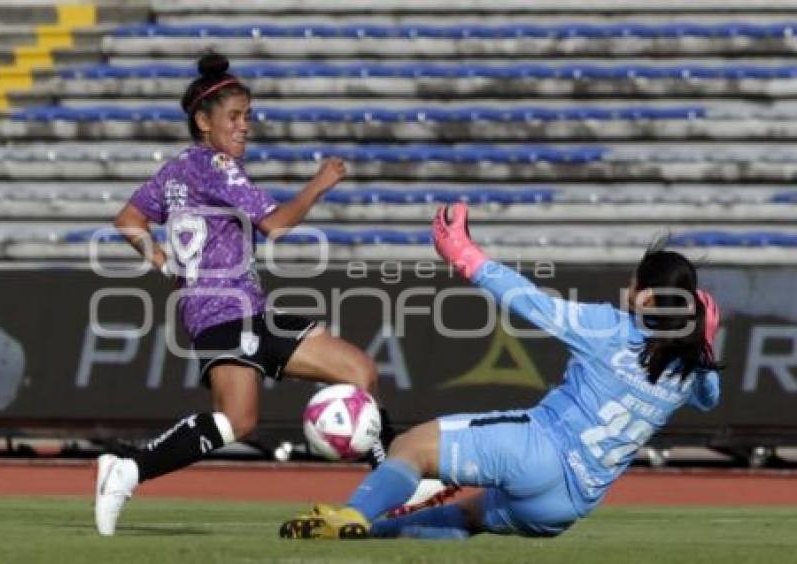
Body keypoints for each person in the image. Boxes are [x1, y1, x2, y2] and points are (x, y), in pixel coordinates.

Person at [95, 52, 451, 536]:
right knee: (236, 422)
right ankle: (128, 469)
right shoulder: (217, 165)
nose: (244, 127)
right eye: (234, 117)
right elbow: (276, 224)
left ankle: (395, 481)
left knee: (357, 371)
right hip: (224, 314)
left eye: (248, 117)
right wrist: (319, 184)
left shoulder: (176, 170)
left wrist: (166, 264)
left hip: (246, 311)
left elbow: (128, 221)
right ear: (203, 121)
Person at [280, 202, 722, 540]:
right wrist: (704, 343)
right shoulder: (689, 370)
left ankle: (353, 513)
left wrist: (464, 254)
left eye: (634, 283)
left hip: (540, 450)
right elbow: (709, 397)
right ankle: (370, 535)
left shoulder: (611, 328)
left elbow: (531, 302)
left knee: (411, 446)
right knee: (468, 517)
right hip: (569, 506)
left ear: (646, 298)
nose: (627, 288)